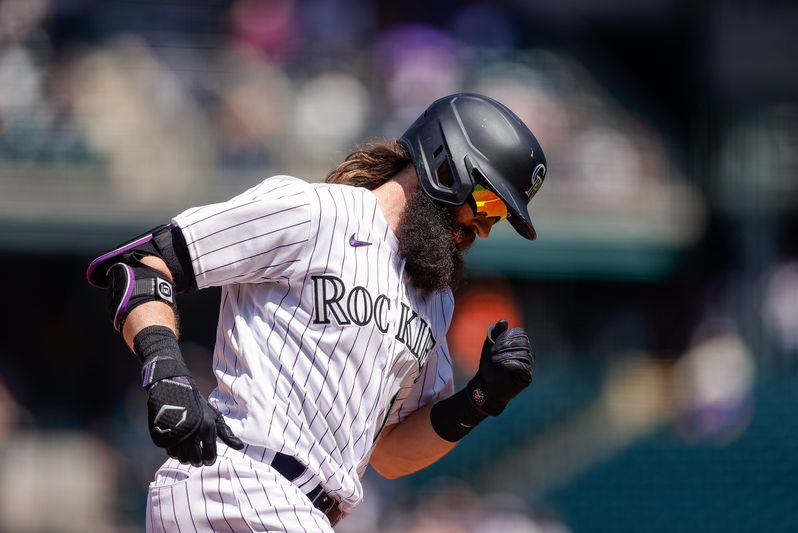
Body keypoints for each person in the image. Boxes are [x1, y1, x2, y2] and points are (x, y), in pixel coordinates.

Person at [87, 93, 547, 532]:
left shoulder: (434, 298)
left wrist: (482, 399)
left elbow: (389, 455)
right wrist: (167, 371)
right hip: (238, 482)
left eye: (500, 216)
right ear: (447, 165)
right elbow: (140, 265)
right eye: (489, 203)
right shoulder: (316, 212)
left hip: (304, 510)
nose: (486, 228)